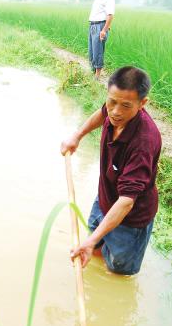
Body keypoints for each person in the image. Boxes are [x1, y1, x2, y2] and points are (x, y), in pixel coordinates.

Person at [60, 66, 160, 275]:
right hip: (105, 199)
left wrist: (91, 240)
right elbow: (102, 113)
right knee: (94, 251)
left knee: (117, 272)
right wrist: (77, 136)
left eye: (125, 106)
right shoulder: (113, 109)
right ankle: (96, 245)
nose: (116, 112)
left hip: (130, 219)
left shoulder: (143, 141)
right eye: (112, 101)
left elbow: (126, 202)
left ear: (143, 103)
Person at [87, 0, 115, 79]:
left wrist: (104, 29)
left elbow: (110, 15)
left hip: (100, 26)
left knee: (98, 50)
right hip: (93, 25)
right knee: (92, 50)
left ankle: (97, 76)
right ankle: (93, 72)